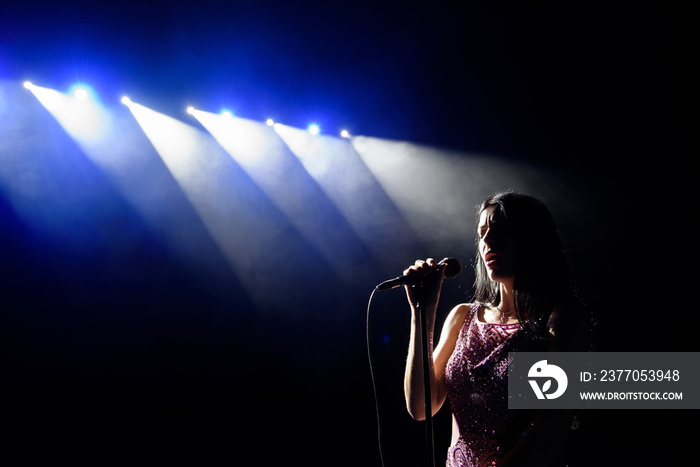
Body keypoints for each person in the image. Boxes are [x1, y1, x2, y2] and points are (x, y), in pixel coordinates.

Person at [402, 191, 589, 467]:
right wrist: (422, 313)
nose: (487, 241)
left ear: (531, 236)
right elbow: (420, 407)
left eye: (499, 229)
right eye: (482, 233)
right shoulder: (462, 317)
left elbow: (550, 430)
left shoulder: (560, 320)